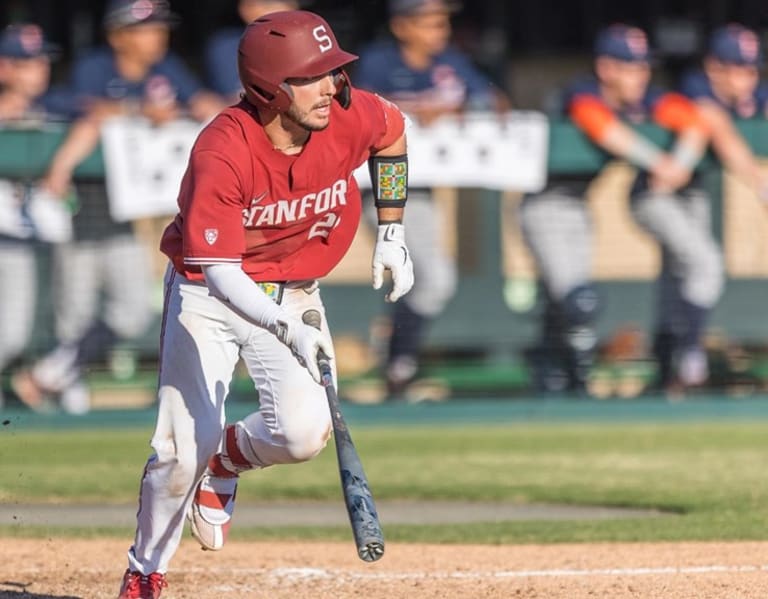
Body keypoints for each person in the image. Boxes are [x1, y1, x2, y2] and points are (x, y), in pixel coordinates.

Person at [117, 10, 413, 598]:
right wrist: (282, 325)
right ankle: (145, 569)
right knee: (180, 450)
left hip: (296, 287)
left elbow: (394, 133)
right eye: (312, 77)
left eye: (333, 72)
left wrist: (392, 230)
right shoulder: (223, 151)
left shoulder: (348, 114)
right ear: (268, 88)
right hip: (210, 295)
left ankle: (226, 460)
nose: (331, 87)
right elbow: (221, 273)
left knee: (303, 436)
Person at [10, 0, 225, 414]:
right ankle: (67, 392)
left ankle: (53, 375)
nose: (157, 37)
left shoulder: (167, 71)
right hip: (80, 213)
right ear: (119, 35)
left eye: (160, 29)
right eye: (146, 29)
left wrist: (193, 105)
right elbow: (72, 108)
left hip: (125, 219)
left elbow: (202, 102)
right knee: (72, 314)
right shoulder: (95, 67)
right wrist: (133, 111)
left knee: (130, 311)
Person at [519, 24, 712, 395]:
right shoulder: (583, 91)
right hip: (545, 204)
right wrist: (661, 163)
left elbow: (693, 121)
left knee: (568, 303)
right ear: (607, 68)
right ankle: (571, 381)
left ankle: (553, 370)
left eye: (643, 67)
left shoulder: (641, 99)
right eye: (630, 67)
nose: (640, 75)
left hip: (577, 206)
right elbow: (601, 127)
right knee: (578, 300)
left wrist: (682, 162)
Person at [353, 0, 508, 400]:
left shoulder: (452, 61)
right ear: (402, 26)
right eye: (429, 23)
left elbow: (496, 101)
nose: (439, 31)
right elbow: (357, 110)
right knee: (430, 277)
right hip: (381, 186)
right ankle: (397, 361)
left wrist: (459, 106)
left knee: (431, 279)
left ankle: (397, 359)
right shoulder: (378, 60)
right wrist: (418, 109)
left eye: (442, 23)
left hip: (422, 189)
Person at [0, 23, 71, 408]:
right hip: (7, 233)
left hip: (27, 238)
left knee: (17, 334)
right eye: (27, 62)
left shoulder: (56, 105)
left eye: (42, 61)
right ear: (4, 67)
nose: (39, 68)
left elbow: (93, 116)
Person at [680, 24, 768, 199]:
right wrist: (761, 182)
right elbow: (712, 117)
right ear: (714, 67)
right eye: (740, 69)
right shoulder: (695, 85)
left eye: (753, 71)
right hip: (689, 190)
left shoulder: (756, 93)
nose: (750, 78)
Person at [205, 0, 301, 102]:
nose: (285, 9)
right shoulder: (225, 47)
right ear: (246, 9)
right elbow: (232, 98)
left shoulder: (308, 40)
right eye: (269, 4)